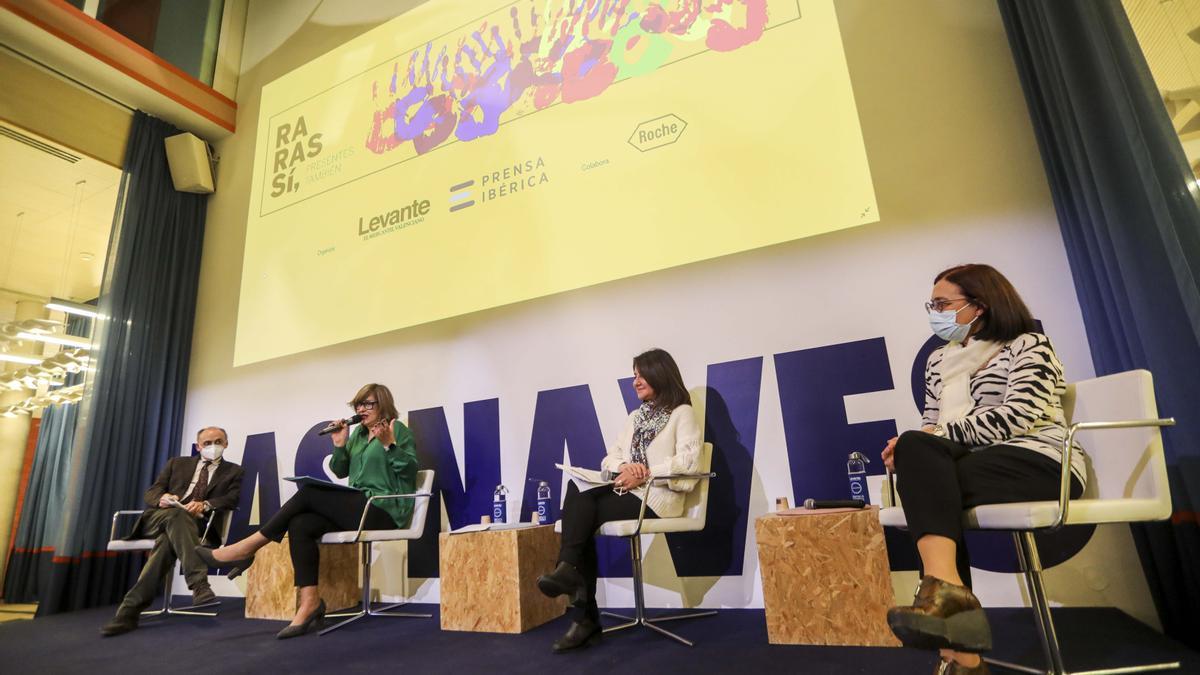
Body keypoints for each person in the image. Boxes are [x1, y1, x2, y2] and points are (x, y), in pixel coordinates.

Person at [882, 264, 1086, 675]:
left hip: (1038, 462)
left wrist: (927, 443)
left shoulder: (1029, 345)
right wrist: (911, 449)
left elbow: (1018, 416)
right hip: (972, 465)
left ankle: (952, 624)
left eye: (942, 304)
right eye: (932, 304)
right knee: (922, 466)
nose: (935, 312)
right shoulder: (939, 360)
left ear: (980, 305)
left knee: (926, 475)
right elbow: (930, 422)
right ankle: (957, 635)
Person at [196, 383, 418, 639]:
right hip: (358, 505)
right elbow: (341, 471)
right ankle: (309, 602)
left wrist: (389, 445)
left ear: (383, 405)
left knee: (309, 493)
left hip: (384, 510)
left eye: (368, 404)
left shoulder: (396, 429)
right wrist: (339, 444)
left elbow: (410, 471)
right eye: (359, 404)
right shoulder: (357, 435)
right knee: (301, 523)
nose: (361, 409)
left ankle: (246, 548)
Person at [536, 348, 702, 653]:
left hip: (657, 498)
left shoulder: (682, 413)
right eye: (634, 375)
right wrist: (624, 467)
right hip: (627, 490)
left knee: (584, 512)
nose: (635, 382)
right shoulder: (635, 418)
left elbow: (691, 462)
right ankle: (570, 574)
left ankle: (582, 611)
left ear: (659, 373)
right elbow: (610, 457)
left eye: (640, 375)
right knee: (577, 490)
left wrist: (648, 472)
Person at [101, 426, 244, 636]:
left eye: (218, 441)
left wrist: (205, 504)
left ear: (226, 444)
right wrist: (163, 498)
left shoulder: (234, 471)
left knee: (167, 542)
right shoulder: (177, 463)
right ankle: (199, 585)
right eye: (207, 443)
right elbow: (152, 492)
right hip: (160, 518)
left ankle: (128, 613)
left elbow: (231, 499)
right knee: (177, 515)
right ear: (198, 446)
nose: (213, 446)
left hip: (198, 525)